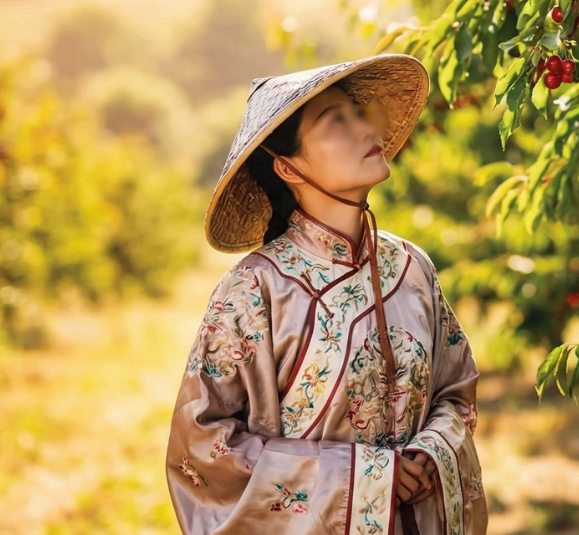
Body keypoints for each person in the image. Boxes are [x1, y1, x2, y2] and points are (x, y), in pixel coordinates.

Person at [166, 54, 487, 534]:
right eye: (335, 122)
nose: (364, 128)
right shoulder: (256, 289)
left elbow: (455, 391)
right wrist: (368, 478)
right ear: (289, 168)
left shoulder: (410, 267)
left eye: (358, 113)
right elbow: (202, 448)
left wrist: (430, 453)